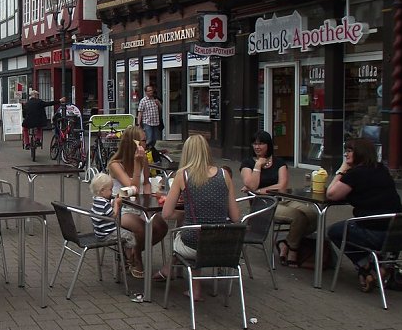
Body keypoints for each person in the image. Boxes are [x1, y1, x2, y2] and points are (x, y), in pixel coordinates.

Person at [159, 134, 241, 300]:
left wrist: (184, 214)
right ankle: (192, 287)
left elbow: (166, 214)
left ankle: (173, 275)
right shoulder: (225, 174)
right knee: (200, 231)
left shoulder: (183, 175)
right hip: (223, 246)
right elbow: (236, 216)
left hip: (194, 245)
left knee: (184, 236)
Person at [327, 138, 402, 292]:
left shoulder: (356, 174)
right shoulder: (382, 170)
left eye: (349, 151)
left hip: (376, 233)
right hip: (399, 233)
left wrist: (342, 169)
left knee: (335, 231)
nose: (346, 154)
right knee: (352, 226)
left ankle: (366, 266)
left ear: (360, 153)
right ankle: (382, 265)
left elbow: (331, 194)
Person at [240, 130, 317, 267]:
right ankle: (293, 249)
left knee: (313, 215)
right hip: (263, 204)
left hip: (283, 198)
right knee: (298, 217)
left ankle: (285, 242)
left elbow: (282, 185)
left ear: (268, 145)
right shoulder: (248, 163)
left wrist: (259, 190)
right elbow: (251, 185)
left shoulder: (279, 162)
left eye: (261, 143)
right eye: (255, 144)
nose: (257, 147)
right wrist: (258, 166)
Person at [107, 125, 169, 277]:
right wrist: (136, 164)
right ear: (132, 143)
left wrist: (148, 198)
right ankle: (137, 260)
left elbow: (146, 182)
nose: (145, 144)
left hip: (139, 205)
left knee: (161, 226)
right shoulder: (116, 164)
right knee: (141, 228)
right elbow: (132, 188)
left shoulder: (144, 159)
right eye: (142, 140)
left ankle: (134, 251)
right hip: (121, 207)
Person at [90, 173, 140, 275]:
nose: (112, 192)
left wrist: (113, 203)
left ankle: (125, 255)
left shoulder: (97, 200)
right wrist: (117, 204)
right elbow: (114, 215)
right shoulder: (103, 203)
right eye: (110, 189)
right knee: (130, 235)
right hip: (107, 234)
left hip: (99, 232)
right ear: (102, 190)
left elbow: (107, 212)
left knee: (124, 233)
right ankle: (129, 258)